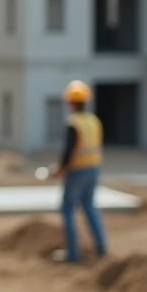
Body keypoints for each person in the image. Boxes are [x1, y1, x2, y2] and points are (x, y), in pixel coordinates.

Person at [49, 80, 107, 263]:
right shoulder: (94, 121)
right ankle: (101, 247)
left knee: (67, 209)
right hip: (94, 169)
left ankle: (72, 253)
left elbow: (69, 149)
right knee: (89, 207)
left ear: (71, 102)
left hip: (77, 172)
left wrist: (60, 168)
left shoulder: (73, 123)